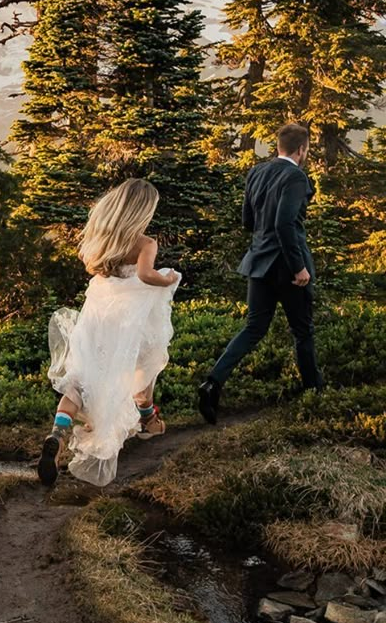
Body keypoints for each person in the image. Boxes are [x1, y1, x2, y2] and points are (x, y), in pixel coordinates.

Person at [37, 178, 181, 488]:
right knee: (142, 366)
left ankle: (58, 434)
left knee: (80, 378)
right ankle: (148, 420)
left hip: (97, 314)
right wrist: (166, 279)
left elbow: (91, 265)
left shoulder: (104, 237)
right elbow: (145, 275)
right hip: (127, 320)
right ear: (142, 212)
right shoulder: (145, 243)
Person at [198, 122, 323, 425]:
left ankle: (212, 382)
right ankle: (315, 394)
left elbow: (247, 221)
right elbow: (284, 224)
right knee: (303, 331)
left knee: (253, 328)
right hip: (288, 267)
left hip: (258, 262)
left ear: (279, 146)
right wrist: (299, 267)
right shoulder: (296, 176)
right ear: (301, 149)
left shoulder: (256, 173)